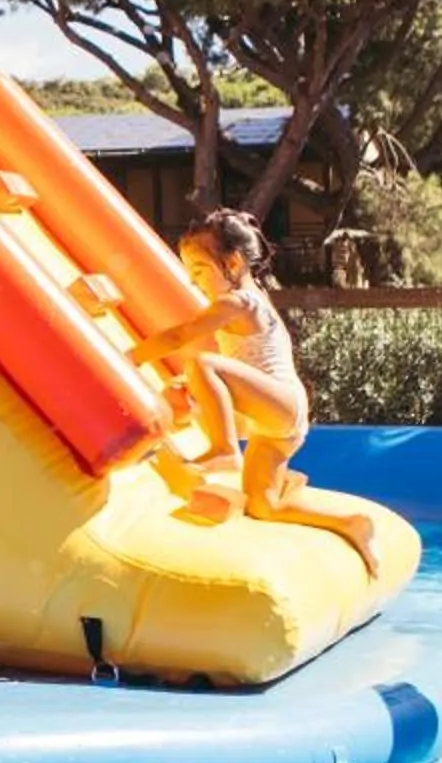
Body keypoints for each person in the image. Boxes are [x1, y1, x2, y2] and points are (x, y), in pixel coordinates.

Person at [123, 209, 379, 577]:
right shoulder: (253, 295)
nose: (193, 281)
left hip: (280, 402)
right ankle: (352, 523)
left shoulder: (238, 302)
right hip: (279, 419)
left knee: (203, 364)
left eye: (198, 270)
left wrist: (130, 357)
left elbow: (180, 336)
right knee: (264, 505)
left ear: (232, 261)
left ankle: (225, 451)